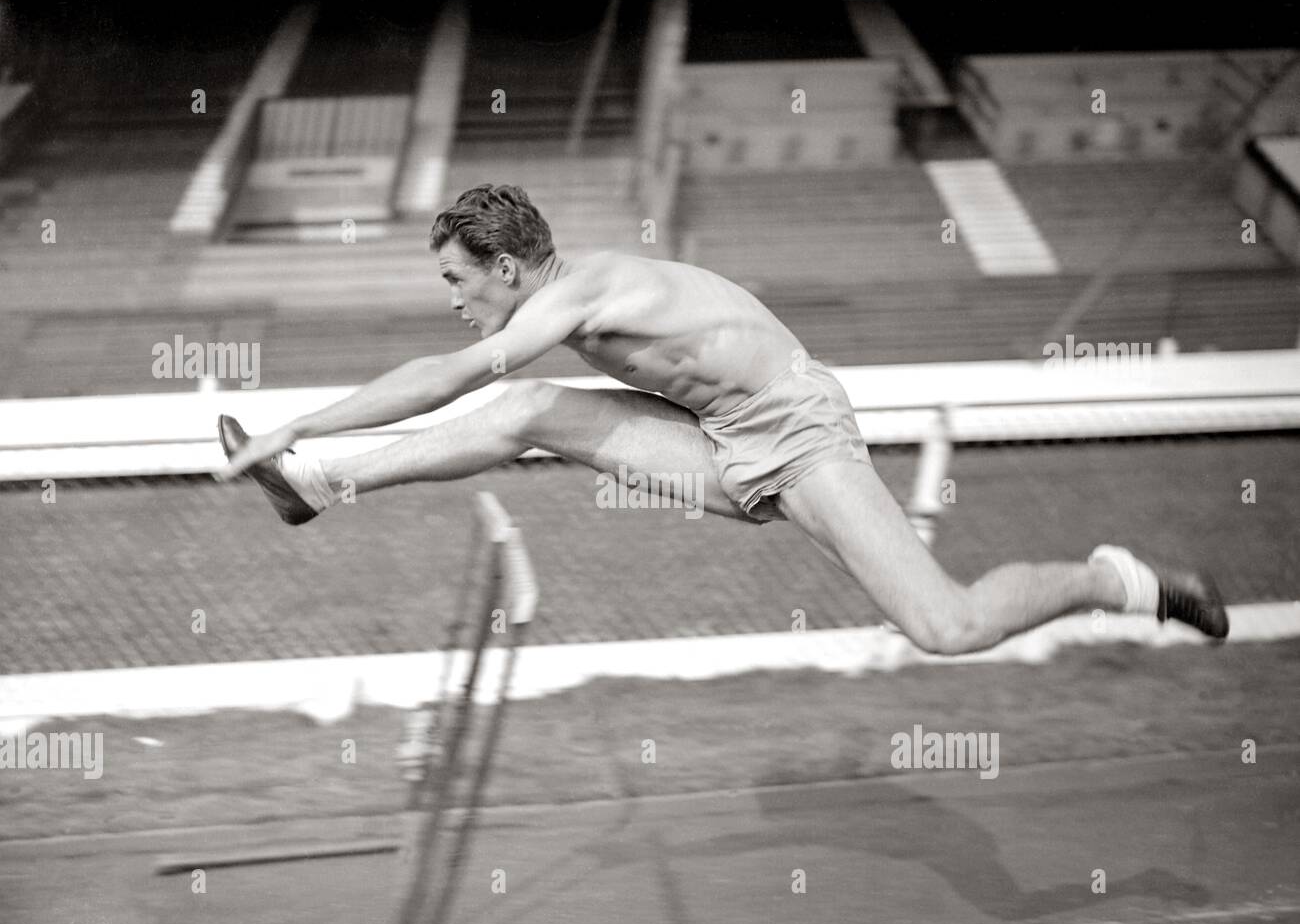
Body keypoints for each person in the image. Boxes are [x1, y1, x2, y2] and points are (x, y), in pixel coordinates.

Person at [216, 184, 1228, 653]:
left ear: (509, 269)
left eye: (455, 278)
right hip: (721, 440)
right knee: (526, 408)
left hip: (799, 436)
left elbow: (445, 374)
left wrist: (291, 416)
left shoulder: (577, 295)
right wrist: (307, 448)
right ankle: (312, 486)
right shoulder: (557, 293)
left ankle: (1117, 579)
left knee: (944, 625)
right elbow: (477, 381)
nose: (450, 295)